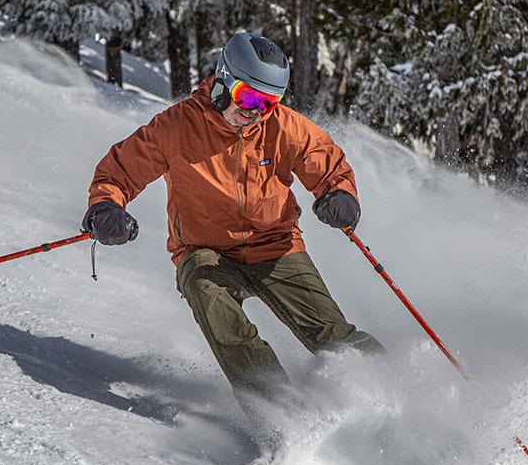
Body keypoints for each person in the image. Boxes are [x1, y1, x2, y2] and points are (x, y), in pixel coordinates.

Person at [82, 32, 383, 422]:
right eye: (248, 98)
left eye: (268, 103)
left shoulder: (283, 128)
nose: (256, 111)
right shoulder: (176, 127)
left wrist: (339, 194)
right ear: (223, 80)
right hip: (203, 249)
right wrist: (107, 206)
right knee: (215, 307)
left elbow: (326, 162)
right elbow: (119, 170)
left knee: (330, 333)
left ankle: (400, 394)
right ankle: (283, 418)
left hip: (275, 245)